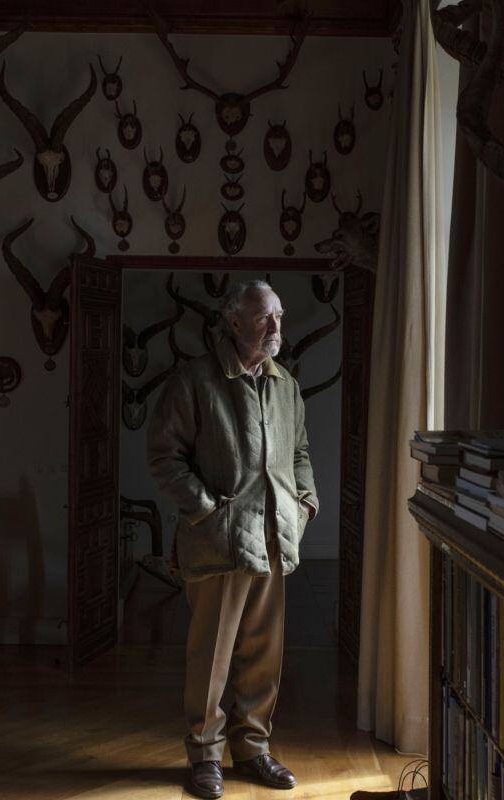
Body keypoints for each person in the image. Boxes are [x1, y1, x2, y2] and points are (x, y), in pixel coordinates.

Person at [146, 279, 318, 799]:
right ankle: (204, 754)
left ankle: (253, 750)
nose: (275, 328)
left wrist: (304, 503)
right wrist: (205, 508)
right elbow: (163, 457)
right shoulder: (195, 381)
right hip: (216, 544)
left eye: (279, 317)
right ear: (234, 319)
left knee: (264, 653)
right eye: (265, 318)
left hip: (275, 538)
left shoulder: (286, 384)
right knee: (212, 655)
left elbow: (301, 453)